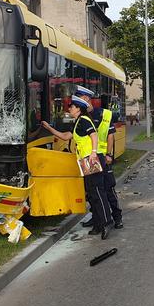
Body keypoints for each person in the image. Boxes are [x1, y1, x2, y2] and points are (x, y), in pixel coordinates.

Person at [42, 95, 112, 239]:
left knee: (98, 192)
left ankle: (106, 222)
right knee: (91, 193)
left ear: (78, 108)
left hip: (92, 159)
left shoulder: (84, 121)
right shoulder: (78, 122)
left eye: (72, 107)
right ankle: (98, 223)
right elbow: (66, 136)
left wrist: (93, 153)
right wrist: (49, 128)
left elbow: (94, 135)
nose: (69, 109)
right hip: (86, 161)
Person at [75, 86, 123, 230]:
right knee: (92, 191)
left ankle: (117, 217)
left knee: (108, 189)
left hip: (102, 157)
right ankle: (96, 218)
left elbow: (110, 136)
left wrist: (109, 155)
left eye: (81, 98)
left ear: (86, 99)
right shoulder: (82, 116)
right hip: (90, 159)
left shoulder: (103, 114)